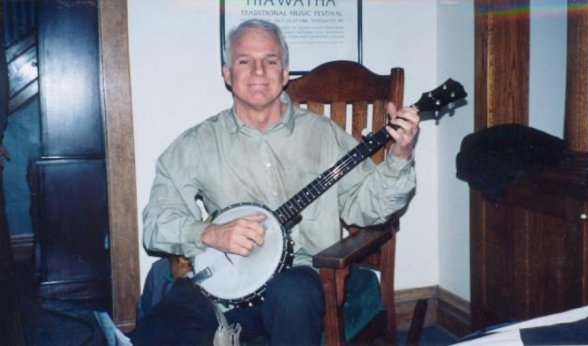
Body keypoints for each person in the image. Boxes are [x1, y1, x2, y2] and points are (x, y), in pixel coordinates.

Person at [138, 19, 420, 346]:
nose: (259, 72)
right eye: (245, 61)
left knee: (293, 294)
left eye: (270, 61)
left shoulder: (323, 135)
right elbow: (156, 224)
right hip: (223, 286)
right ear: (227, 74)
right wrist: (210, 233)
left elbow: (370, 208)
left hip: (300, 278)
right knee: (159, 323)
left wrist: (400, 155)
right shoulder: (197, 144)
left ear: (285, 73)